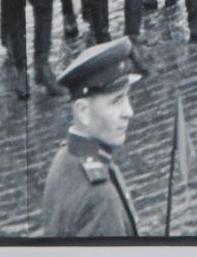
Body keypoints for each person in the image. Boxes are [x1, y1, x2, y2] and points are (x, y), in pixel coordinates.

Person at [40, 37, 142, 238]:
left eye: (127, 96)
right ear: (83, 111)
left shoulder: (66, 156)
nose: (129, 111)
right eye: (116, 101)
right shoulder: (101, 197)